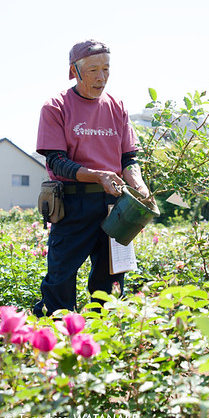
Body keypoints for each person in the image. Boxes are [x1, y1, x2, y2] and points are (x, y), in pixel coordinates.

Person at [33, 39, 150, 316]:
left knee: (110, 277)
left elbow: (129, 158)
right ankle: (57, 331)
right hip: (73, 205)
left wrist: (139, 185)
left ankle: (101, 331)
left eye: (106, 69)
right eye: (94, 70)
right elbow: (56, 162)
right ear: (74, 71)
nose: (101, 77)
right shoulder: (56, 106)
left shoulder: (117, 106)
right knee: (61, 275)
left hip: (115, 206)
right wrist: (98, 175)